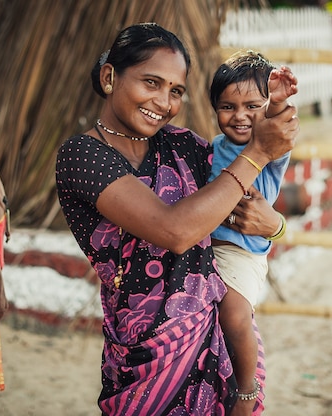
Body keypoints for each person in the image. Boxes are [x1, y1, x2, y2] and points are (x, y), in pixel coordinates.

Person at [55, 23, 298, 416]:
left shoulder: (183, 145)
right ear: (109, 76)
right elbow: (175, 230)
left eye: (176, 91)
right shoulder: (83, 156)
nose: (163, 101)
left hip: (218, 339)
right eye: (151, 82)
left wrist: (277, 227)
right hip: (145, 356)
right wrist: (257, 153)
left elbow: (247, 192)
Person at [208, 50, 297, 416]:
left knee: (234, 316)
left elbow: (276, 123)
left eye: (252, 105)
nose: (240, 115)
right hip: (211, 247)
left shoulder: (270, 148)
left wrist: (276, 100)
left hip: (242, 253)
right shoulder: (215, 147)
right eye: (228, 106)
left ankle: (246, 390)